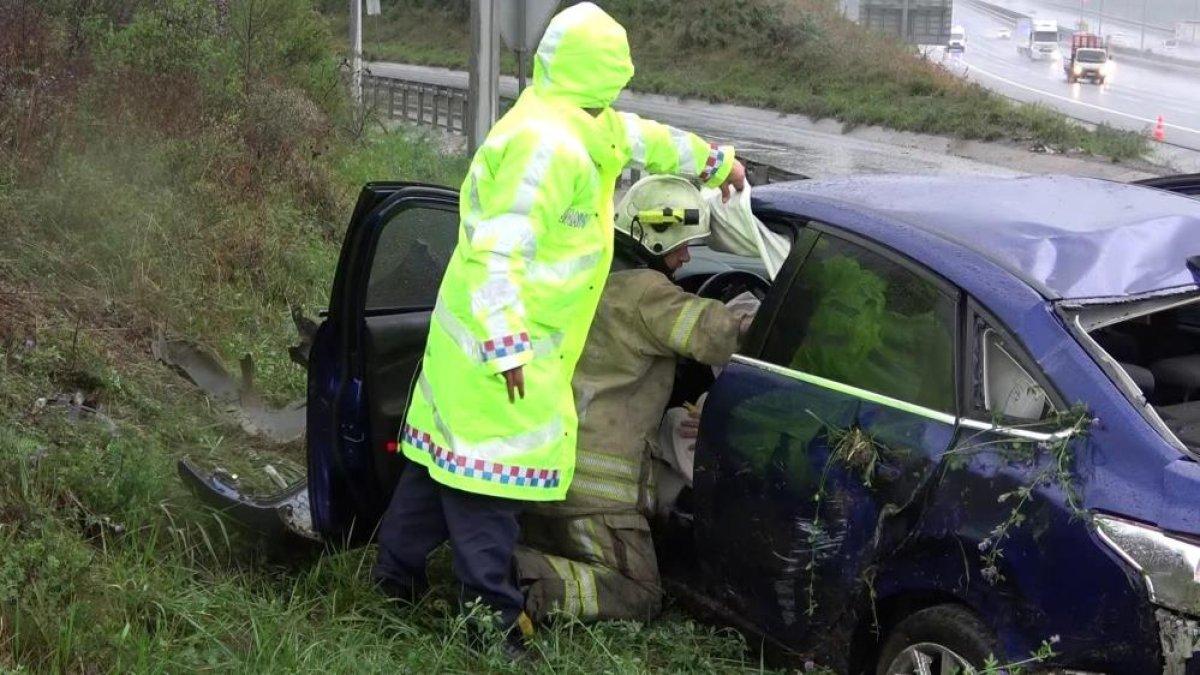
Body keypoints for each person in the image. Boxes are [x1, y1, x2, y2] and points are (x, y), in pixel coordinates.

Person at [371, 1, 746, 648]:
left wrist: (715, 164)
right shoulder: (544, 145)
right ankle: (489, 629)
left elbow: (648, 138)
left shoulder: (579, 120)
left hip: (470, 360)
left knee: (437, 473)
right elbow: (496, 249)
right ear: (600, 77)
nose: (618, 95)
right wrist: (508, 343)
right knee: (486, 497)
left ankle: (389, 584)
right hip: (496, 361)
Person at [515, 175, 753, 622]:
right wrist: (760, 319)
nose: (685, 258)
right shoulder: (646, 291)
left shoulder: (588, 272)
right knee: (638, 594)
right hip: (597, 499)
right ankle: (513, 579)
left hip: (544, 471)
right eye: (682, 246)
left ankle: (502, 560)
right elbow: (712, 334)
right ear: (654, 236)